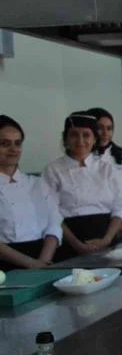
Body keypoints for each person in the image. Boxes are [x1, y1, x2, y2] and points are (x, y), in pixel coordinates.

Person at [43, 112, 122, 261]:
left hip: (107, 240)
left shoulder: (107, 169)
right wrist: (77, 245)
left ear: (95, 139)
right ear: (66, 139)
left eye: (86, 135)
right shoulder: (53, 169)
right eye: (74, 135)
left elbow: (120, 207)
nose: (80, 140)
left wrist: (107, 240)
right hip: (69, 242)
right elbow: (51, 213)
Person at [0, 115, 62, 270]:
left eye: (18, 143)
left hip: (43, 258)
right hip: (5, 265)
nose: (13, 149)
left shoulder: (37, 183)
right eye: (4, 144)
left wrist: (43, 261)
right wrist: (31, 264)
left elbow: (54, 223)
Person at [86, 107, 122, 239]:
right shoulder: (85, 157)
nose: (105, 133)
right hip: (101, 227)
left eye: (109, 128)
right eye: (100, 128)